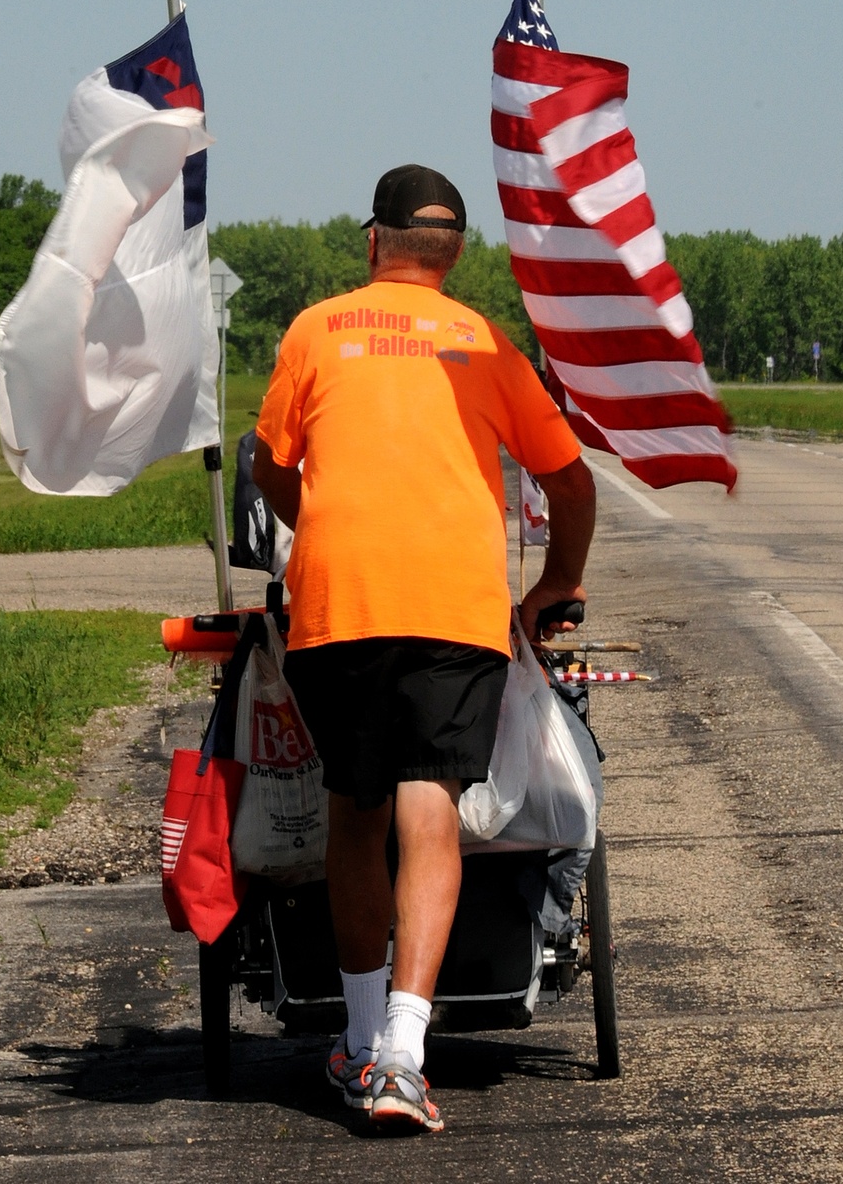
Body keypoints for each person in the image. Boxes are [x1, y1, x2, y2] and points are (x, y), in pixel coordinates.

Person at [253, 164, 595, 1134]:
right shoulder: (483, 341)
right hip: (454, 608)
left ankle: (360, 1042)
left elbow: (272, 462)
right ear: (453, 254)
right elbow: (568, 483)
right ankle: (404, 1053)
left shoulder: (318, 328)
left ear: (373, 242)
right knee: (429, 804)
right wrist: (556, 583)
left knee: (354, 811)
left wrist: (310, 519)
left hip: (338, 604)